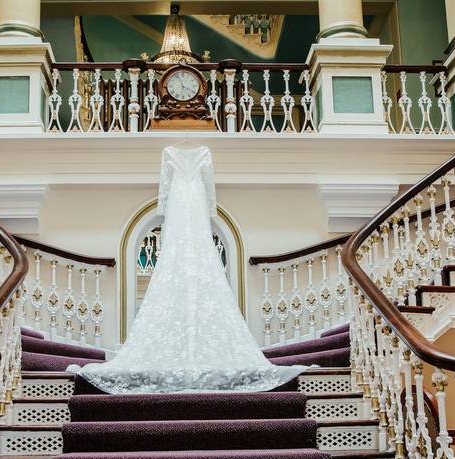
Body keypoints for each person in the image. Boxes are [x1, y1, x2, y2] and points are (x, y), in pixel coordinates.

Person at [69, 145, 308, 393]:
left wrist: (173, 206)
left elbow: (168, 191)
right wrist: (201, 207)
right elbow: (193, 191)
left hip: (186, 198)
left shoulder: (182, 153)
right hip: (191, 198)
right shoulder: (183, 153)